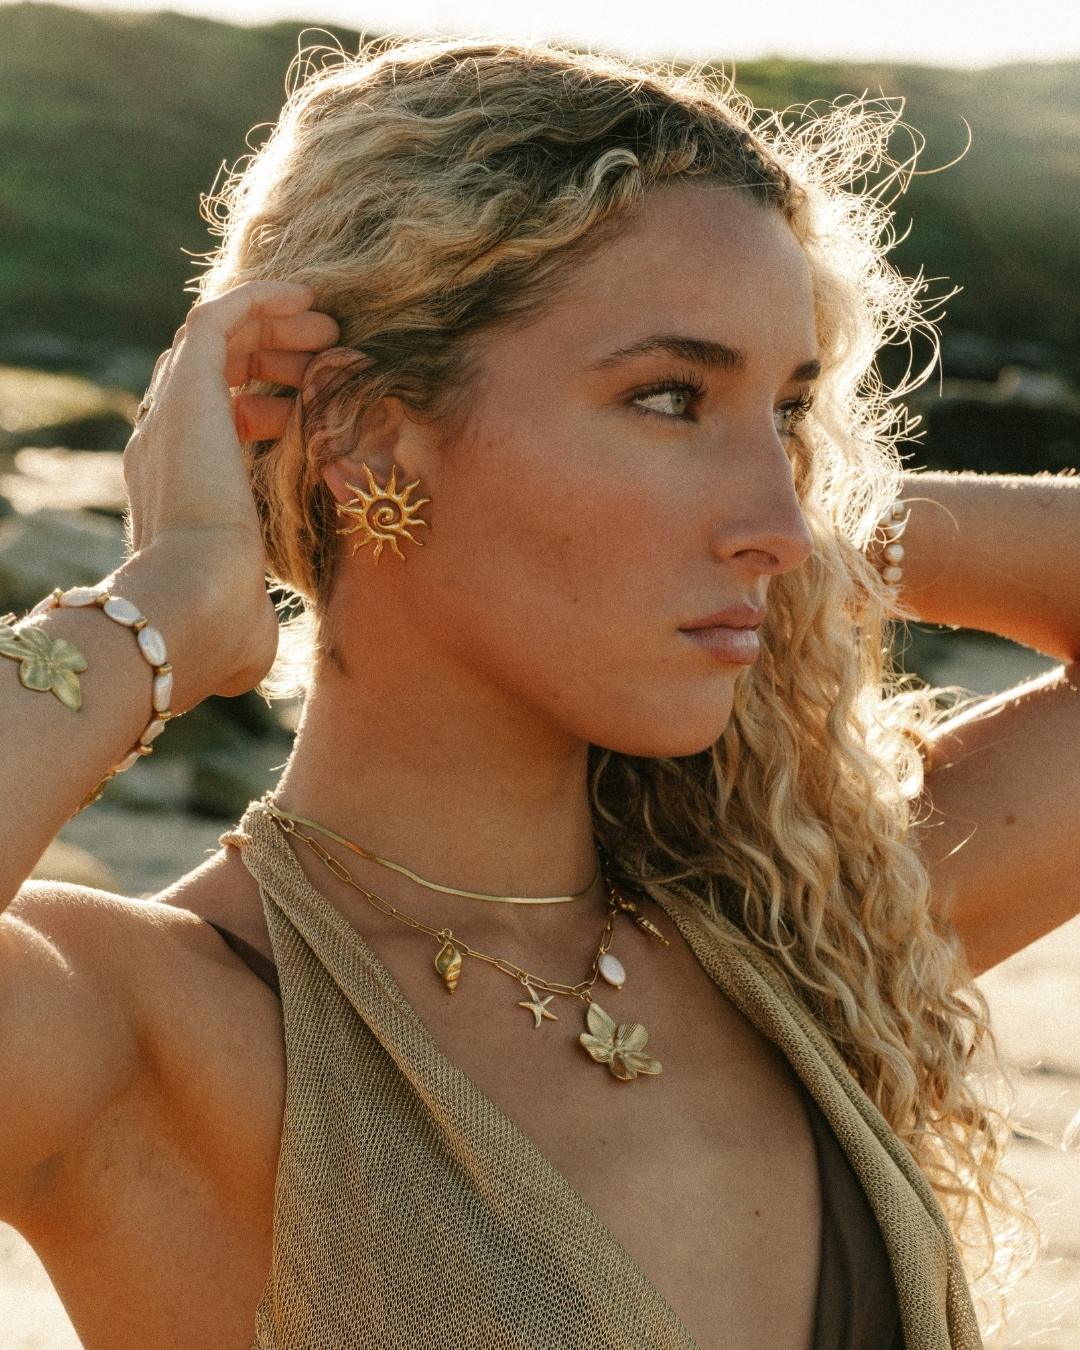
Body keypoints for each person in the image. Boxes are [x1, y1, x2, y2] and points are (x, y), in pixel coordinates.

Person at [0, 32, 1074, 1350]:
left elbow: (783, 525)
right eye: (671, 395)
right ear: (364, 430)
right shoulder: (153, 1027)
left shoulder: (807, 941)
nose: (777, 520)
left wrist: (797, 513)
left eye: (787, 412)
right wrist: (168, 603)